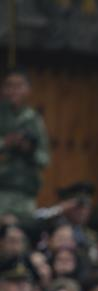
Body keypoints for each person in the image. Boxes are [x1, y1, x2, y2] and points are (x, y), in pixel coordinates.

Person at [0, 68, 49, 221]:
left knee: (23, 235)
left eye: (19, 86)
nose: (14, 91)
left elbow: (45, 158)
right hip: (2, 188)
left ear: (28, 90)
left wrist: (29, 150)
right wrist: (6, 143)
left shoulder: (34, 119)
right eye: (9, 85)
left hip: (25, 192)